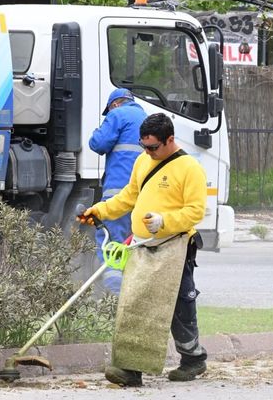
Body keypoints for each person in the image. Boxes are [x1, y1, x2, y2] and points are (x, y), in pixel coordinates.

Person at [81, 112, 208, 386]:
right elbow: (128, 196)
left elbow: (196, 211)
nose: (148, 152)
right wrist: (100, 211)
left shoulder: (190, 169)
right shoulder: (143, 161)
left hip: (175, 245)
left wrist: (166, 221)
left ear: (170, 140)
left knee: (178, 304)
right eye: (144, 146)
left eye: (153, 147)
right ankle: (129, 368)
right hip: (142, 245)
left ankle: (193, 358)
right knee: (136, 301)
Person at [87, 88, 146, 293]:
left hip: (118, 190)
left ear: (115, 104)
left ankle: (114, 294)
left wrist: (95, 132)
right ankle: (131, 290)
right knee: (131, 243)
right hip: (143, 194)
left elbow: (98, 143)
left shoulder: (117, 114)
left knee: (109, 240)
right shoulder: (146, 118)